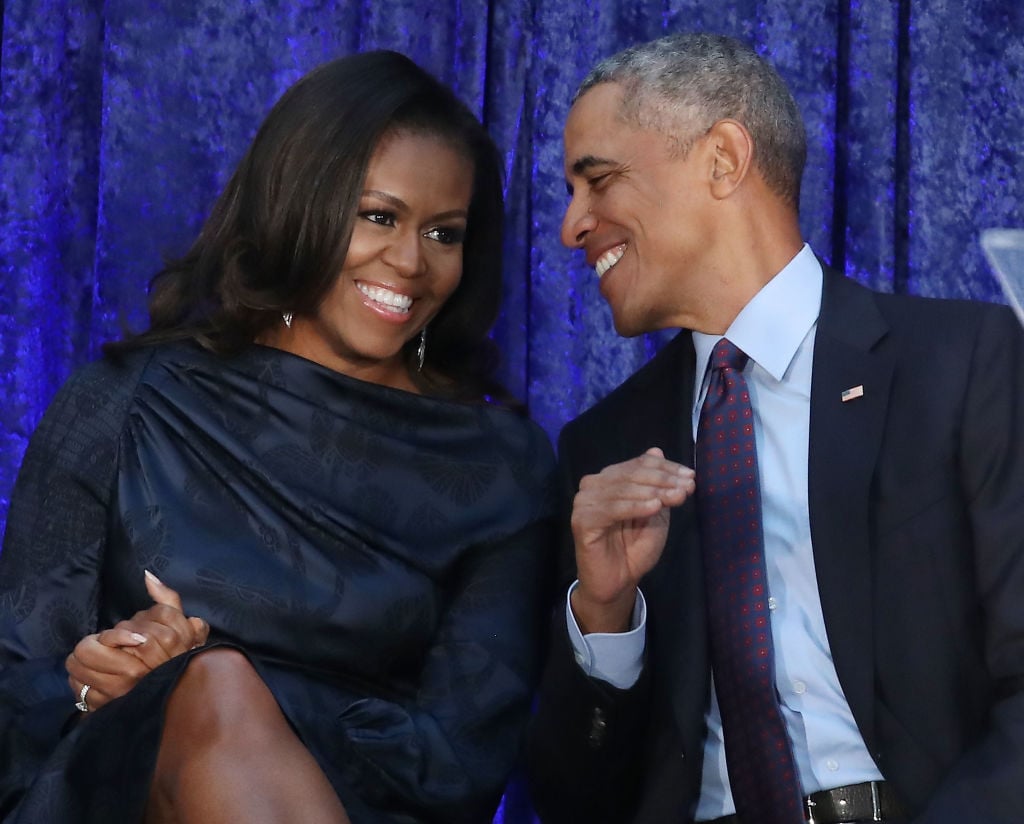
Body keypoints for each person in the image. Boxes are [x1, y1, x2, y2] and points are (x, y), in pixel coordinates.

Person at [0, 50, 557, 824]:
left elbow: (462, 764)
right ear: (300, 202)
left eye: (444, 232)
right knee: (214, 692)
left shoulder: (503, 468)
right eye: (379, 216)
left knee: (216, 685)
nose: (409, 261)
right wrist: (107, 682)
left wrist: (205, 675)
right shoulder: (126, 401)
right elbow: (19, 689)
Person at [526, 32, 1024, 824]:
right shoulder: (605, 448)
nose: (570, 226)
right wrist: (605, 616)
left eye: (599, 181)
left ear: (723, 158)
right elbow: (572, 798)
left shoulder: (961, 366)